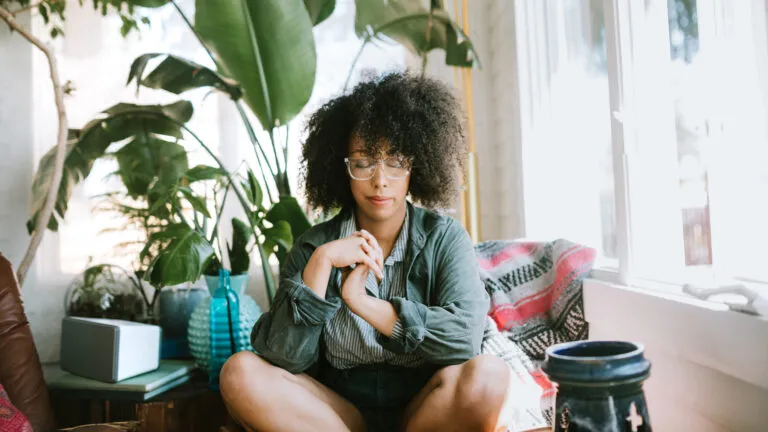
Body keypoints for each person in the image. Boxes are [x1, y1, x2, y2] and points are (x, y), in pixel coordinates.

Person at [220, 72, 511, 432]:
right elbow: (282, 360)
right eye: (362, 162)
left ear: (415, 166)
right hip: (336, 414)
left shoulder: (445, 238)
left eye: (395, 161)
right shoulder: (314, 246)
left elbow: (464, 342)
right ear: (342, 168)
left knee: (490, 375)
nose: (380, 180)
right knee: (239, 372)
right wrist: (320, 265)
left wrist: (364, 303)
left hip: (423, 411)